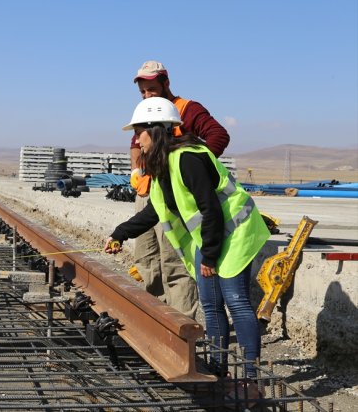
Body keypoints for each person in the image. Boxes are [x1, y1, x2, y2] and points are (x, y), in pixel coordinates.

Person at [105, 97, 269, 396]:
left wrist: (208, 255)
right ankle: (219, 369)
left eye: (139, 132)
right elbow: (153, 212)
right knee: (210, 304)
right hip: (211, 237)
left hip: (235, 234)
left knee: (236, 302)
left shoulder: (188, 158)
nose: (136, 141)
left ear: (155, 130)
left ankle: (251, 379)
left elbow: (211, 209)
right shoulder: (162, 168)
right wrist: (119, 234)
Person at [128, 60, 230, 320]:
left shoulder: (187, 109)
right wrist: (136, 172)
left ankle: (181, 322)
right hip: (148, 192)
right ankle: (157, 314)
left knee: (172, 261)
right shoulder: (146, 110)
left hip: (172, 195)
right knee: (146, 259)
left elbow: (219, 135)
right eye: (143, 92)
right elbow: (135, 143)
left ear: (166, 83)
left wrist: (195, 168)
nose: (147, 95)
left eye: (152, 89)